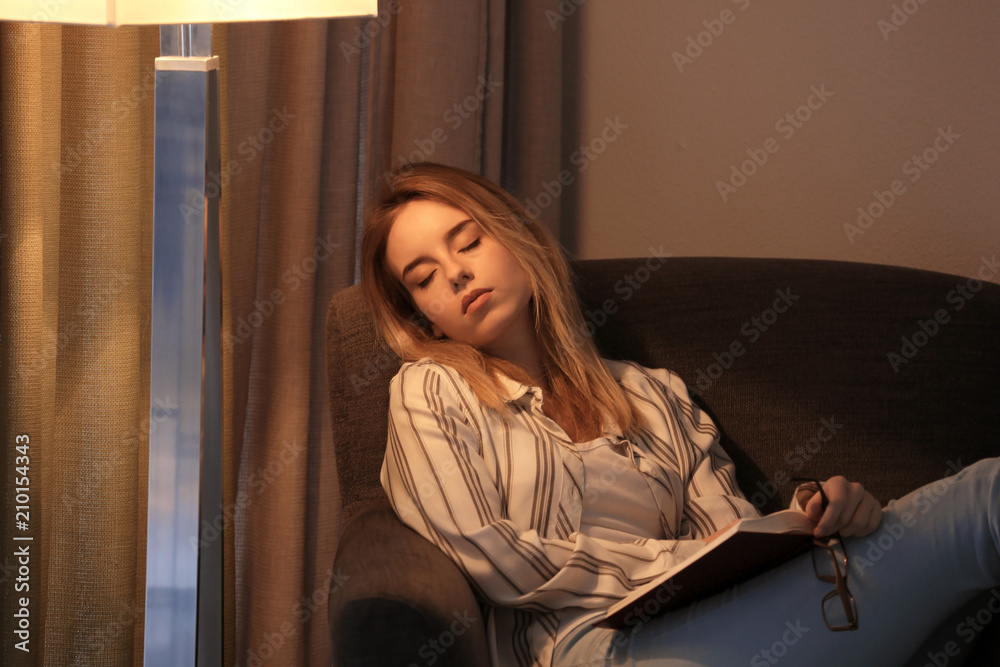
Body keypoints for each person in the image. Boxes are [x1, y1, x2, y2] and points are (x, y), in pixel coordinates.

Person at [360, 162, 1000, 666]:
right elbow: (498, 561)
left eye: (467, 240)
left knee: (983, 498)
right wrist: (676, 569)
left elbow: (734, 538)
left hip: (733, 623)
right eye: (422, 278)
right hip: (591, 648)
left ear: (515, 236)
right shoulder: (430, 392)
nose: (455, 274)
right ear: (422, 313)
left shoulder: (654, 393)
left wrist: (817, 523)